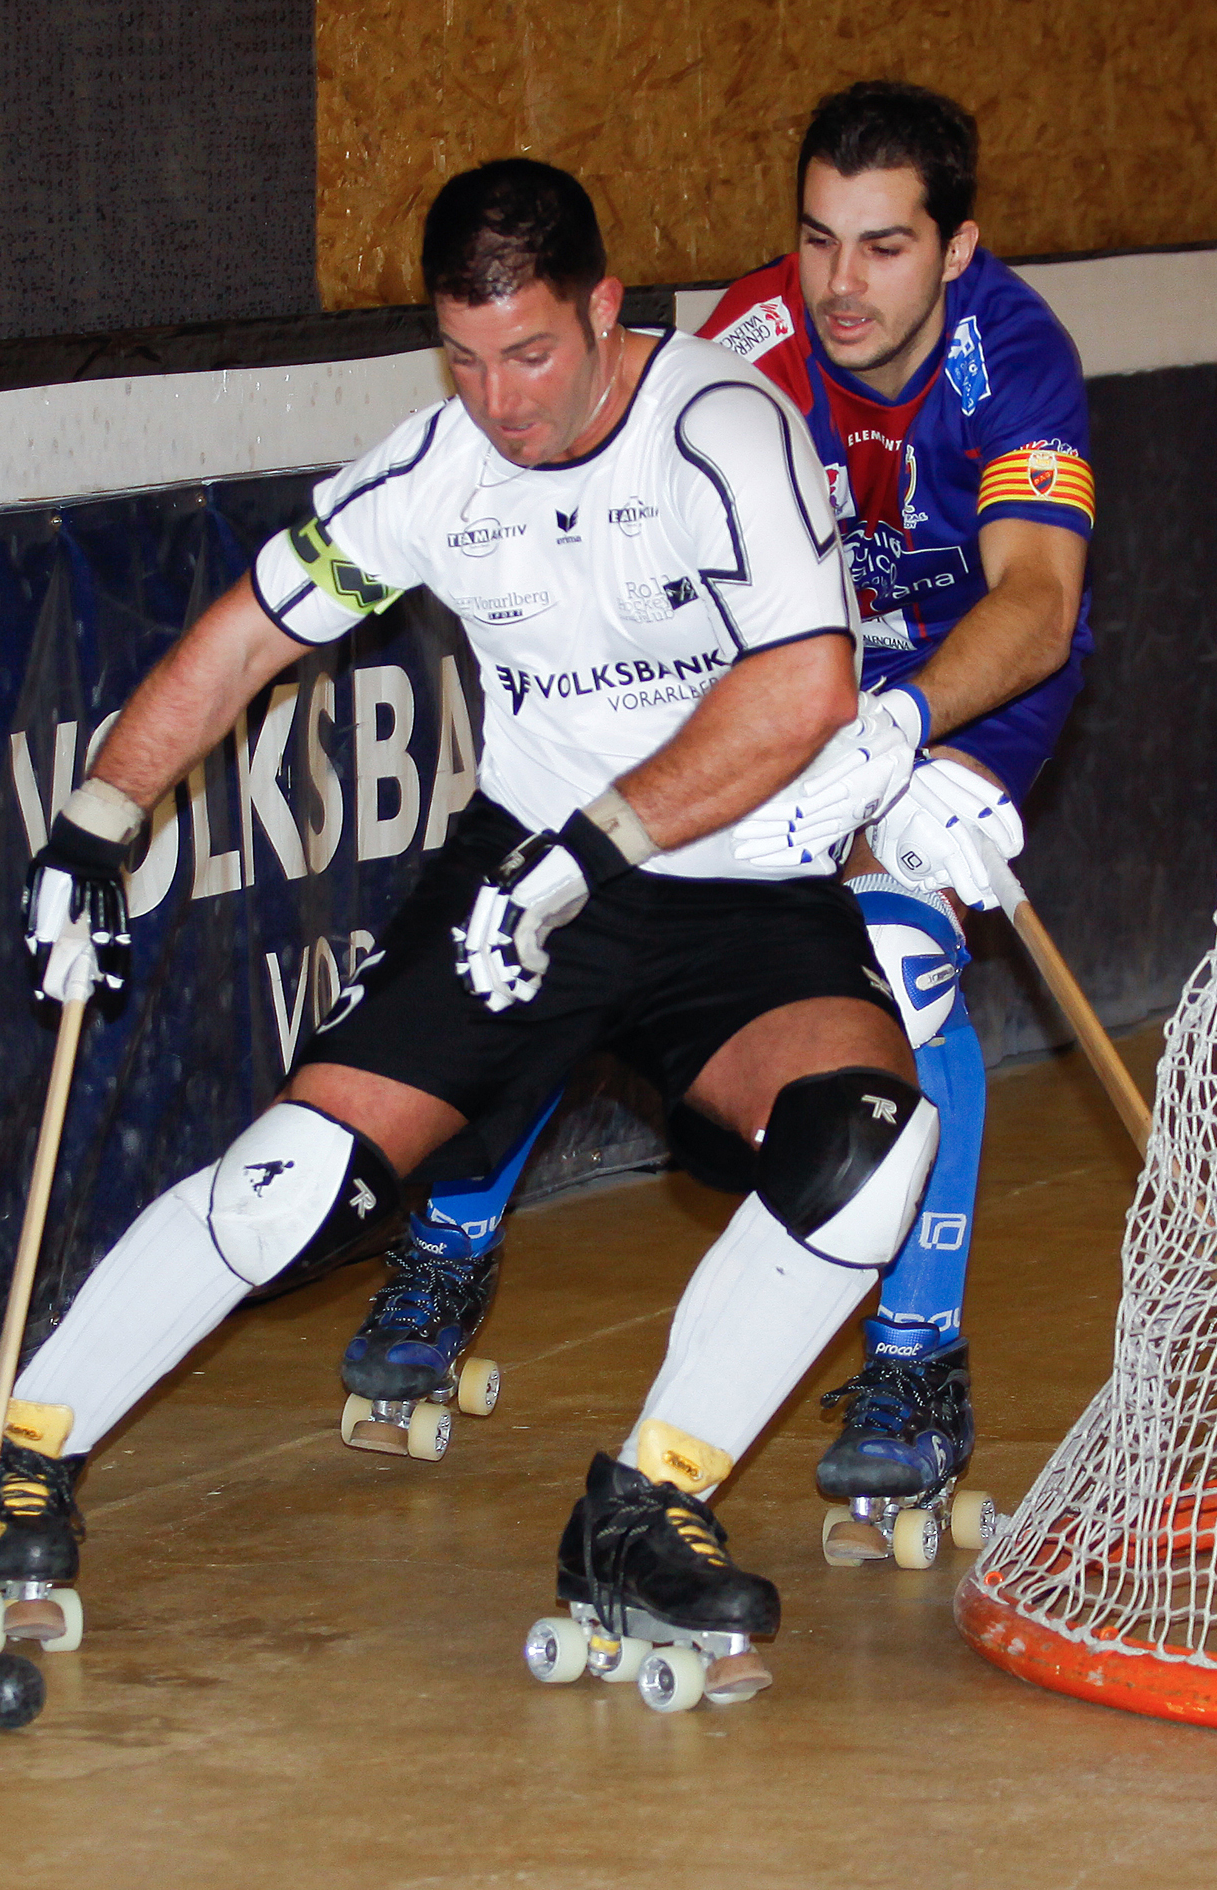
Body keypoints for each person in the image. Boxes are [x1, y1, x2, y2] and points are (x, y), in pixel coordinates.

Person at [0, 158, 939, 1696]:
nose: (501, 401)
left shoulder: (720, 428)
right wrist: (97, 817)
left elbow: (804, 685)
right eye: (465, 360)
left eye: (531, 353)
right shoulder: (435, 473)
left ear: (606, 309)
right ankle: (24, 1446)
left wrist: (596, 850)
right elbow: (247, 637)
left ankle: (644, 1508)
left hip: (733, 880)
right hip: (522, 878)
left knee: (867, 1147)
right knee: (293, 1192)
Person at [348, 82, 1092, 1541]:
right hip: (776, 678)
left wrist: (900, 732)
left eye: (885, 247)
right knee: (586, 906)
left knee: (902, 972)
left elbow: (1039, 604)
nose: (840, 284)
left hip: (952, 696)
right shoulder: (748, 340)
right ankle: (449, 1238)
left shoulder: (1014, 360)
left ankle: (915, 1363)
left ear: (958, 247)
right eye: (818, 239)